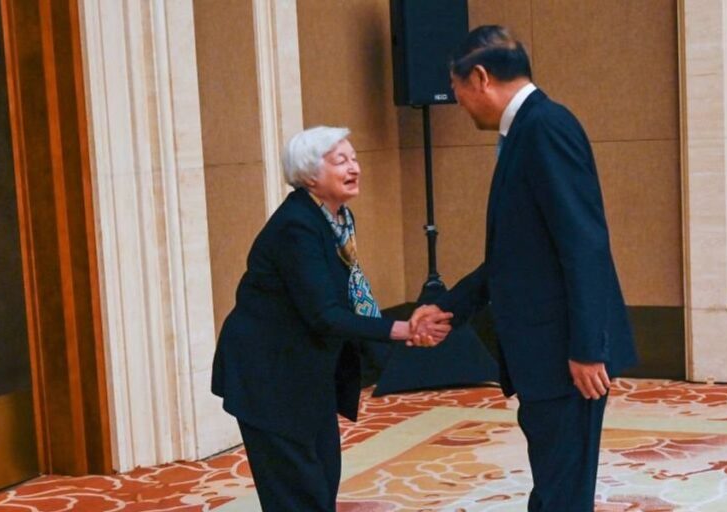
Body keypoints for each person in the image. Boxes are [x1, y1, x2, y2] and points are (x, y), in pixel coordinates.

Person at [411, 26, 638, 511]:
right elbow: (517, 255)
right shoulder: (526, 131)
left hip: (565, 357)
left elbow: (584, 244)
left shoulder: (545, 128)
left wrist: (587, 348)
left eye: (455, 88)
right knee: (556, 488)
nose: (457, 101)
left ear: (479, 78)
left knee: (562, 493)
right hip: (547, 355)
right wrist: (450, 307)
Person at [212, 126, 452, 511]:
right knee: (297, 492)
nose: (354, 167)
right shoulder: (296, 226)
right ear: (309, 175)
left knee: (322, 480)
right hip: (268, 374)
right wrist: (404, 328)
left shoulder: (337, 218)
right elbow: (325, 315)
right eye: (341, 161)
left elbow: (349, 296)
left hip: (306, 371)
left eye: (354, 159)